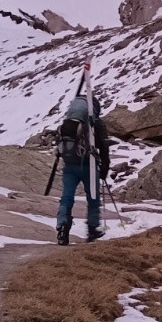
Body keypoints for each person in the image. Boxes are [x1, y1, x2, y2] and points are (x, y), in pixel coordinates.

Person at [55, 95, 110, 244]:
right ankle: (92, 229)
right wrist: (105, 167)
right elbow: (104, 147)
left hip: (69, 166)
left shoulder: (67, 124)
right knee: (93, 198)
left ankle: (62, 228)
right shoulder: (95, 124)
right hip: (88, 166)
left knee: (66, 198)